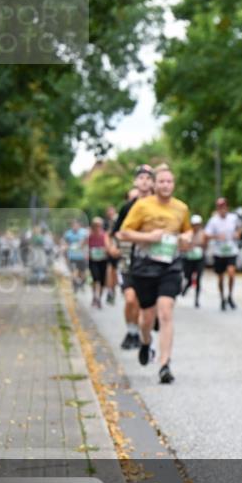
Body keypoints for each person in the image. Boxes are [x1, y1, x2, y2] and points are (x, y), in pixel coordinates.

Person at [117, 164, 192, 384]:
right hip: (145, 267)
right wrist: (148, 238)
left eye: (169, 181)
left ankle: (164, 364)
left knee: (166, 311)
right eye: (161, 181)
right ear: (154, 184)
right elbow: (124, 233)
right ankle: (145, 341)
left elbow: (187, 231)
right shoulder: (142, 206)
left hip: (170, 266)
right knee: (147, 318)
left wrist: (186, 238)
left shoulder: (181, 208)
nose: (165, 185)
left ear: (173, 185)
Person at [111, 166, 155, 350]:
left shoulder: (159, 206)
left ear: (153, 183)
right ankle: (132, 331)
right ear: (135, 182)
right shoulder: (128, 207)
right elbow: (116, 232)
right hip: (128, 259)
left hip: (151, 259)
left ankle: (142, 333)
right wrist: (116, 245)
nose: (144, 181)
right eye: (141, 178)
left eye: (148, 178)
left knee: (145, 302)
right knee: (130, 299)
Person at [205, 197, 242, 311]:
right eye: (220, 207)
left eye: (224, 206)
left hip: (231, 250)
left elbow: (240, 227)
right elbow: (206, 234)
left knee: (231, 273)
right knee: (220, 278)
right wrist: (216, 236)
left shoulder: (233, 218)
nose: (222, 209)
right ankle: (222, 298)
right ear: (217, 208)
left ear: (227, 207)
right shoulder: (213, 220)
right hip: (219, 252)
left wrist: (238, 233)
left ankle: (230, 295)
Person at [87, 217, 111, 309]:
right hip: (93, 260)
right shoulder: (89, 235)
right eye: (96, 225)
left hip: (103, 260)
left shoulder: (104, 235)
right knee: (95, 278)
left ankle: (99, 298)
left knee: (102, 281)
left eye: (100, 225)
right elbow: (84, 245)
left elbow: (108, 246)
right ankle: (95, 296)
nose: (98, 227)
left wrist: (106, 249)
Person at [182, 214, 206, 308]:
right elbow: (183, 246)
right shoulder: (188, 233)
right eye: (194, 224)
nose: (196, 226)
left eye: (198, 224)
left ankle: (196, 300)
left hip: (199, 259)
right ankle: (186, 287)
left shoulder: (203, 233)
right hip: (189, 259)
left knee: (198, 278)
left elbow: (205, 244)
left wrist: (197, 245)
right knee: (188, 277)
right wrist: (189, 246)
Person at [63, 219, 89, 292]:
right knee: (74, 271)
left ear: (79, 225)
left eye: (76, 225)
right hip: (72, 256)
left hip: (82, 256)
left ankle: (82, 283)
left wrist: (84, 244)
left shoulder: (84, 232)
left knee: (83, 272)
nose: (75, 227)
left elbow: (87, 241)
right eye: (73, 225)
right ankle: (75, 285)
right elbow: (65, 244)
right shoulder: (68, 234)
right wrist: (65, 252)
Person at [103, 204, 120, 305]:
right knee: (110, 270)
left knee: (115, 271)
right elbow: (106, 235)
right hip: (111, 248)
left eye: (112, 210)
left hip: (119, 248)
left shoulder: (119, 220)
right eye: (109, 211)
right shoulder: (106, 223)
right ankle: (110, 290)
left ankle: (113, 289)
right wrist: (108, 248)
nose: (110, 213)